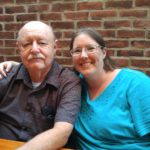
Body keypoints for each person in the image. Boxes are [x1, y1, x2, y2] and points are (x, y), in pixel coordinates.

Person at [1, 28, 150, 150]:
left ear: (104, 52)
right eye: (77, 51)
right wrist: (18, 66)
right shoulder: (74, 84)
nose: (84, 56)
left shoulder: (136, 83)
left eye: (90, 48)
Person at [0, 21, 81, 150]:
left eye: (42, 43)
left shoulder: (68, 82)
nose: (34, 49)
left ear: (55, 47)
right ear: (19, 48)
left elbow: (61, 133)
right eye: (26, 44)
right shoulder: (5, 75)